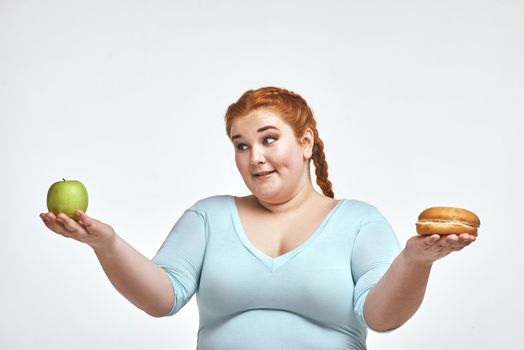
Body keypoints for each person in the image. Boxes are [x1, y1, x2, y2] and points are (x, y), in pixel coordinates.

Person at [39, 86, 476, 349]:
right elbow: (162, 298)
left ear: (305, 142)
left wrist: (415, 263)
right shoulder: (209, 216)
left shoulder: (359, 221)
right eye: (241, 144)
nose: (255, 158)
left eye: (269, 139)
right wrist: (107, 245)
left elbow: (381, 317)